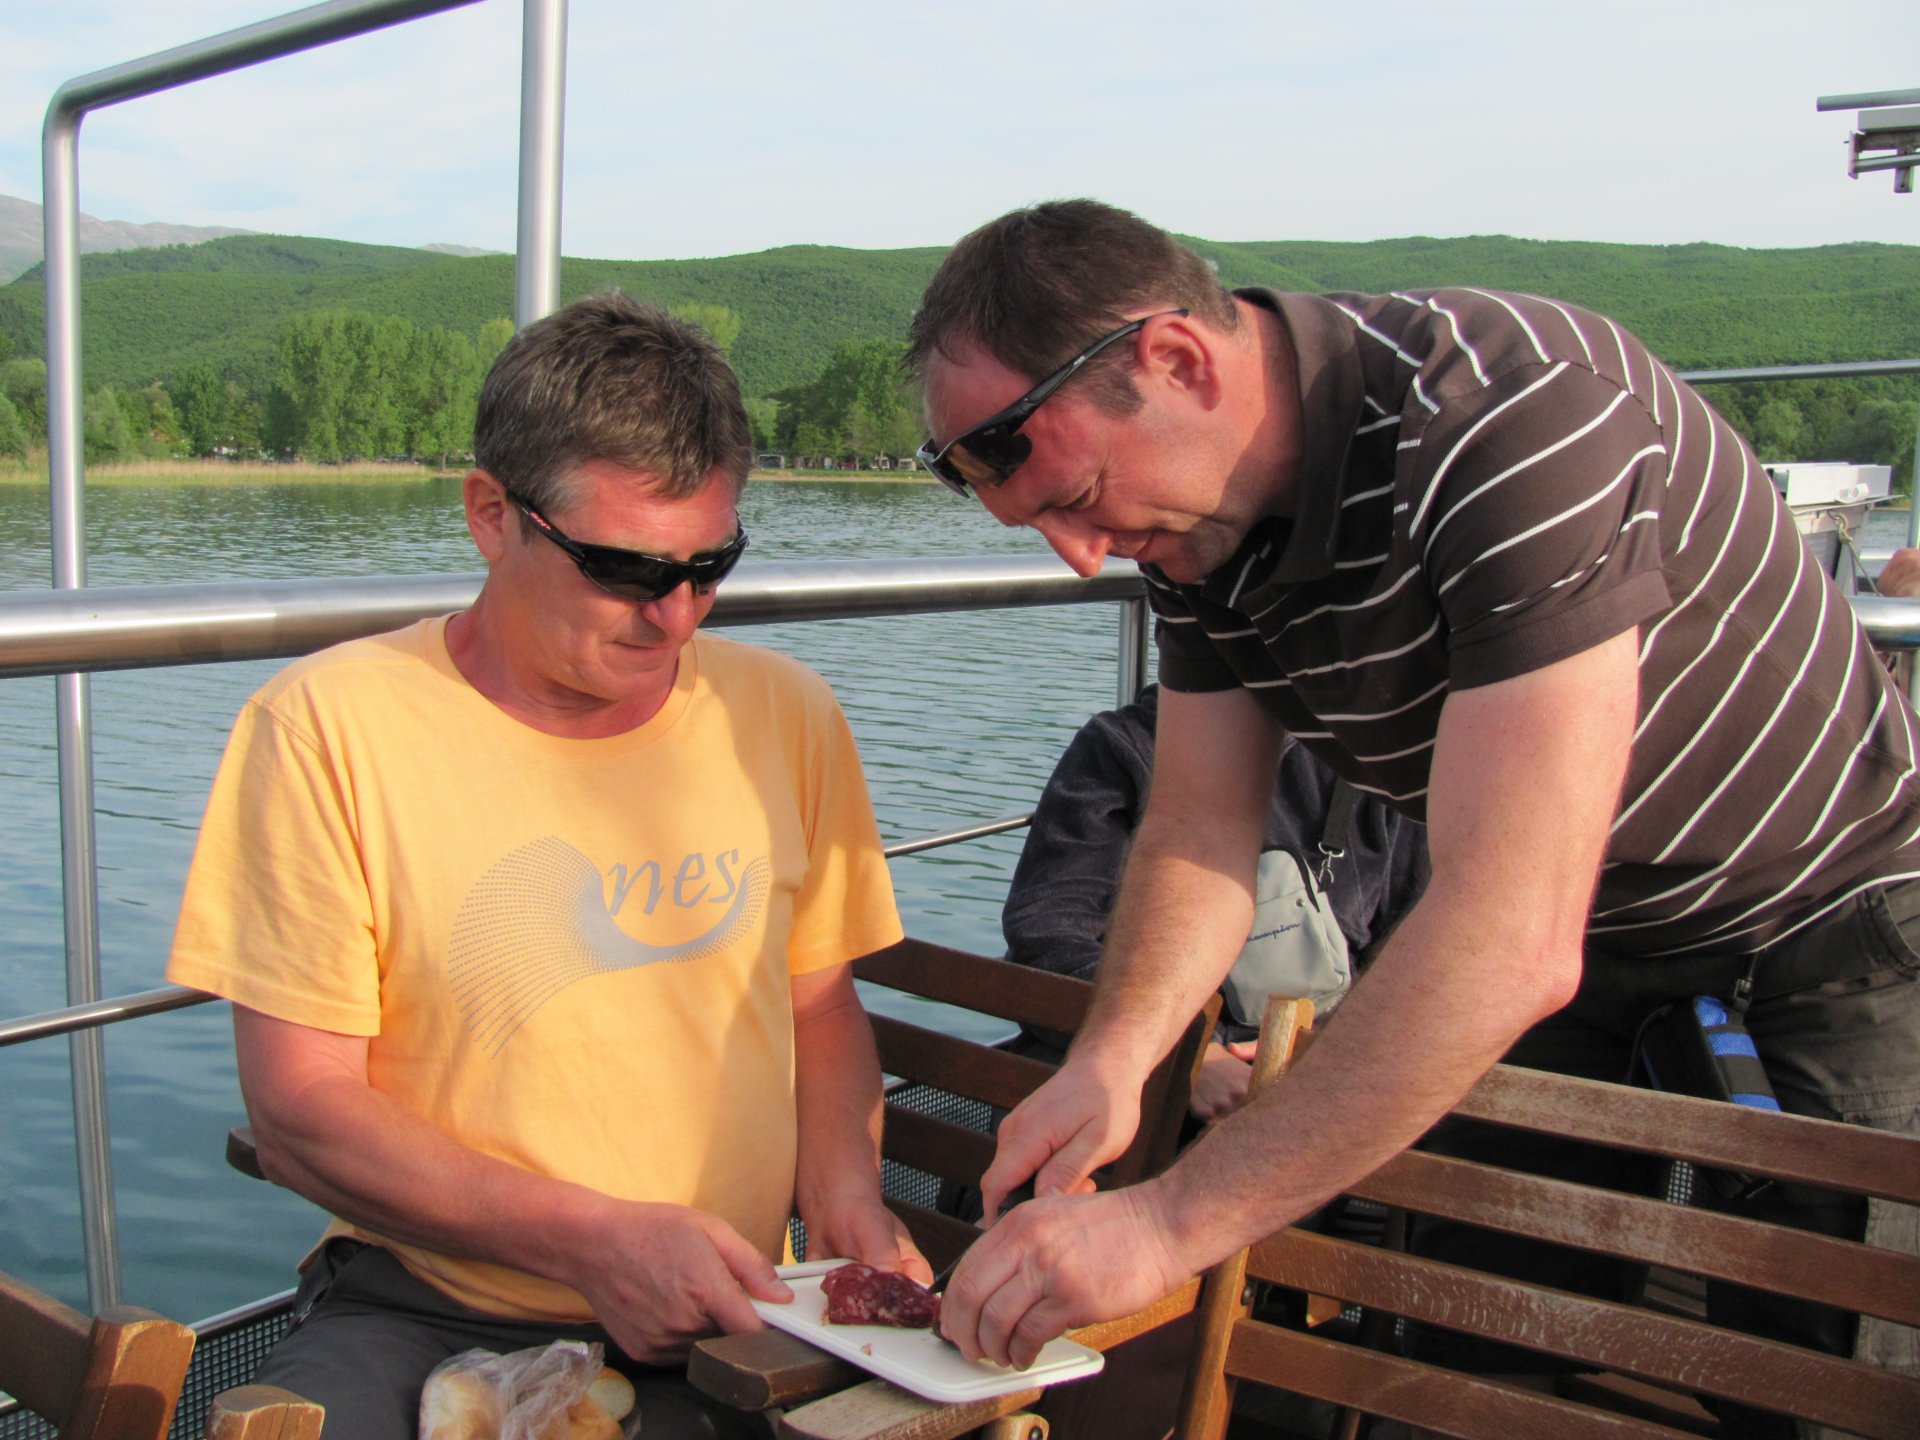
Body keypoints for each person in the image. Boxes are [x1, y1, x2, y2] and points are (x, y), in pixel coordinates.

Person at [905, 200, 1920, 1429]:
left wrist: (1166, 1226)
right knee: (1470, 1354)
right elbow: (1197, 829)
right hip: (1591, 929)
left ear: (1178, 361)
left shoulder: (1514, 420)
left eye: (1080, 497)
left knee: (1817, 1375)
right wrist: (1115, 1059)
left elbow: (1510, 933)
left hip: (1833, 918)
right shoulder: (1197, 527)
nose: (1082, 558)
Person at [165, 293, 922, 1440]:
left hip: (733, 1320)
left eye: (710, 565)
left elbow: (818, 1007)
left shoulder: (784, 715)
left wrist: (849, 1206)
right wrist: (594, 1241)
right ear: (491, 514)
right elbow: (301, 1110)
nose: (674, 617)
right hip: (428, 1303)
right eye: (623, 568)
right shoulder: (327, 728)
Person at [1003, 684, 1428, 1122]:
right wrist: (1187, 1054)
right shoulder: (1123, 746)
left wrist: (1322, 1052)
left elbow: (1418, 957)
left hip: (1324, 1082)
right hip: (1142, 1078)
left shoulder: (1387, 766)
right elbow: (1047, 936)